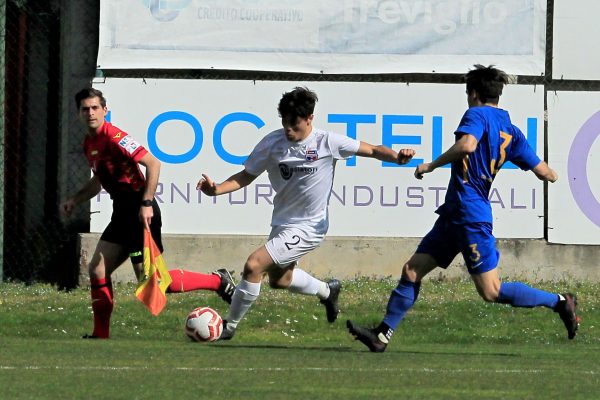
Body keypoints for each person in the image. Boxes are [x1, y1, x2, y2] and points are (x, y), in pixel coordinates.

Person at [347, 65, 580, 352]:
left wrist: (432, 164)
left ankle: (559, 302)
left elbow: (467, 145)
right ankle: (381, 335)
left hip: (470, 216)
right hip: (454, 215)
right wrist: (553, 173)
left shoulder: (476, 114)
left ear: (473, 93)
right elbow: (547, 173)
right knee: (412, 270)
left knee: (491, 291)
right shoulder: (512, 131)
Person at [197, 86, 416, 340]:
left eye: (295, 124)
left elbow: (374, 150)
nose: (289, 130)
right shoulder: (272, 143)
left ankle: (229, 327)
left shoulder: (327, 142)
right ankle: (327, 291)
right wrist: (217, 190)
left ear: (310, 118)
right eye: (285, 124)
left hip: (310, 227)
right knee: (279, 280)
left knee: (253, 265)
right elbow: (246, 175)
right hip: (283, 223)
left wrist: (398, 157)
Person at [61, 88, 236, 339]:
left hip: (139, 210)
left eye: (95, 108)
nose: (90, 113)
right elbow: (99, 180)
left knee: (156, 283)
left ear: (104, 111)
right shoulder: (90, 143)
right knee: (97, 269)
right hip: (121, 212)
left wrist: (146, 202)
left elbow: (153, 163)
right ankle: (100, 335)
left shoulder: (115, 137)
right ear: (79, 113)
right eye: (85, 109)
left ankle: (217, 281)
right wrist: (75, 200)